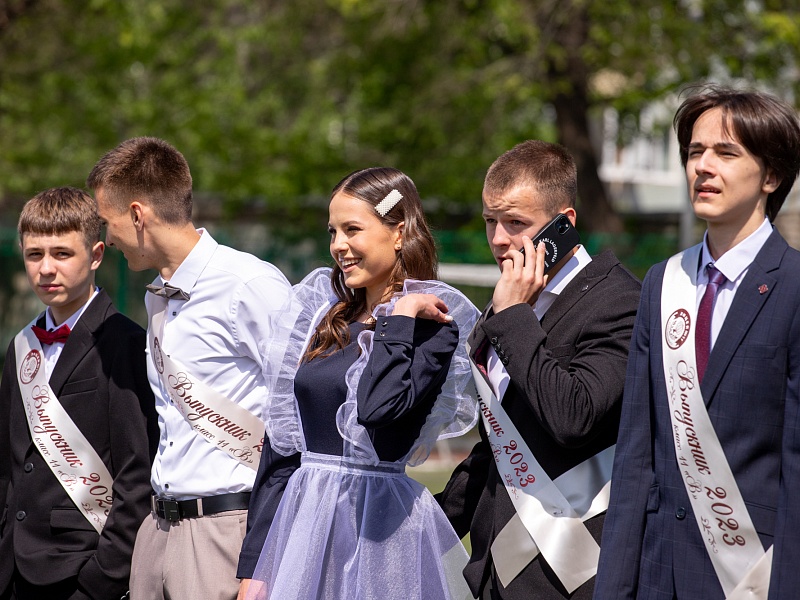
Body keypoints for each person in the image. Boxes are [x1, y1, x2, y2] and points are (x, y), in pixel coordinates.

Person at [594, 86, 800, 600]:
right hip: (655, 574)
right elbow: (635, 454)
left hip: (751, 577)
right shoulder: (662, 283)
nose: (702, 166)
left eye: (726, 153)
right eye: (694, 152)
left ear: (771, 176)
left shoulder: (795, 287)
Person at [236, 167, 480, 600]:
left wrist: (400, 316)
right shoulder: (321, 318)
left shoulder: (432, 329)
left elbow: (378, 411)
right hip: (302, 530)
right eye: (333, 231)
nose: (338, 245)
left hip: (378, 538)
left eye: (352, 229)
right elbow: (280, 453)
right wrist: (255, 565)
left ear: (398, 233)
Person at [86, 137, 293, 600]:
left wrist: (265, 552)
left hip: (225, 533)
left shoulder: (249, 285)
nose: (107, 239)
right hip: (157, 530)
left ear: (137, 215)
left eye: (107, 223)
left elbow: (300, 417)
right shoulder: (158, 297)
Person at [437, 140, 641, 600]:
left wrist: (513, 317)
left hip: (575, 573)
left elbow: (574, 417)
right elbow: (496, 445)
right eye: (490, 220)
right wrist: (428, 526)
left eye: (515, 223)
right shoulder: (509, 303)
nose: (497, 239)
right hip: (495, 571)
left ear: (563, 223)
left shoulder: (621, 301)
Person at [0, 187, 157, 600]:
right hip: (13, 573)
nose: (46, 269)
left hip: (80, 573)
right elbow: (9, 468)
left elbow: (137, 476)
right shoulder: (20, 346)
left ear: (96, 255)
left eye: (62, 254)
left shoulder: (126, 344)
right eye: (34, 254)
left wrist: (100, 579)